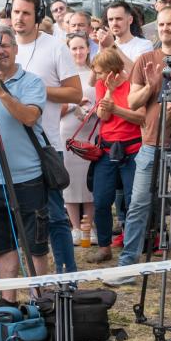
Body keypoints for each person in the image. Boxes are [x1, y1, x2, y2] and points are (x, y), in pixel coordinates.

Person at [107, 8, 171, 291]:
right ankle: (129, 266)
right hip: (151, 143)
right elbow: (133, 103)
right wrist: (153, 85)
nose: (167, 28)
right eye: (162, 24)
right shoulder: (146, 59)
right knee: (138, 205)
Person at [0, 23, 50, 302]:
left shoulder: (31, 82)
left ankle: (39, 301)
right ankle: (9, 302)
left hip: (27, 178)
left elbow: (30, 116)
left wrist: (2, 92)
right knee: (3, 247)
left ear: (16, 49)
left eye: (4, 45)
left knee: (35, 247)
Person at [9, 0, 82, 274]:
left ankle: (66, 276)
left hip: (45, 145)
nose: (20, 18)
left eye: (26, 13)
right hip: (8, 148)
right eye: (16, 12)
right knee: (9, 214)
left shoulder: (55, 47)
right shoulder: (3, 45)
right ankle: (2, 279)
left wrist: (34, 89)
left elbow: (75, 93)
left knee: (53, 216)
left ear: (38, 17)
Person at [88, 46, 143, 262]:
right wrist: (109, 91)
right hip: (107, 149)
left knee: (133, 201)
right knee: (101, 200)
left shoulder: (133, 86)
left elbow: (140, 118)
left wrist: (117, 108)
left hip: (132, 150)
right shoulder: (102, 85)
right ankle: (104, 246)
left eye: (100, 72)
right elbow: (103, 116)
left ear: (112, 70)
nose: (97, 76)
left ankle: (132, 247)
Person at [60, 33, 96, 247]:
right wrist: (74, 106)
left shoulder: (94, 73)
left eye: (81, 48)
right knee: (71, 182)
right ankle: (75, 227)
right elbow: (55, 107)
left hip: (91, 131)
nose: (78, 52)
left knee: (89, 182)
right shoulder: (64, 78)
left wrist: (93, 111)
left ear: (88, 49)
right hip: (68, 132)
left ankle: (88, 227)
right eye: (73, 49)